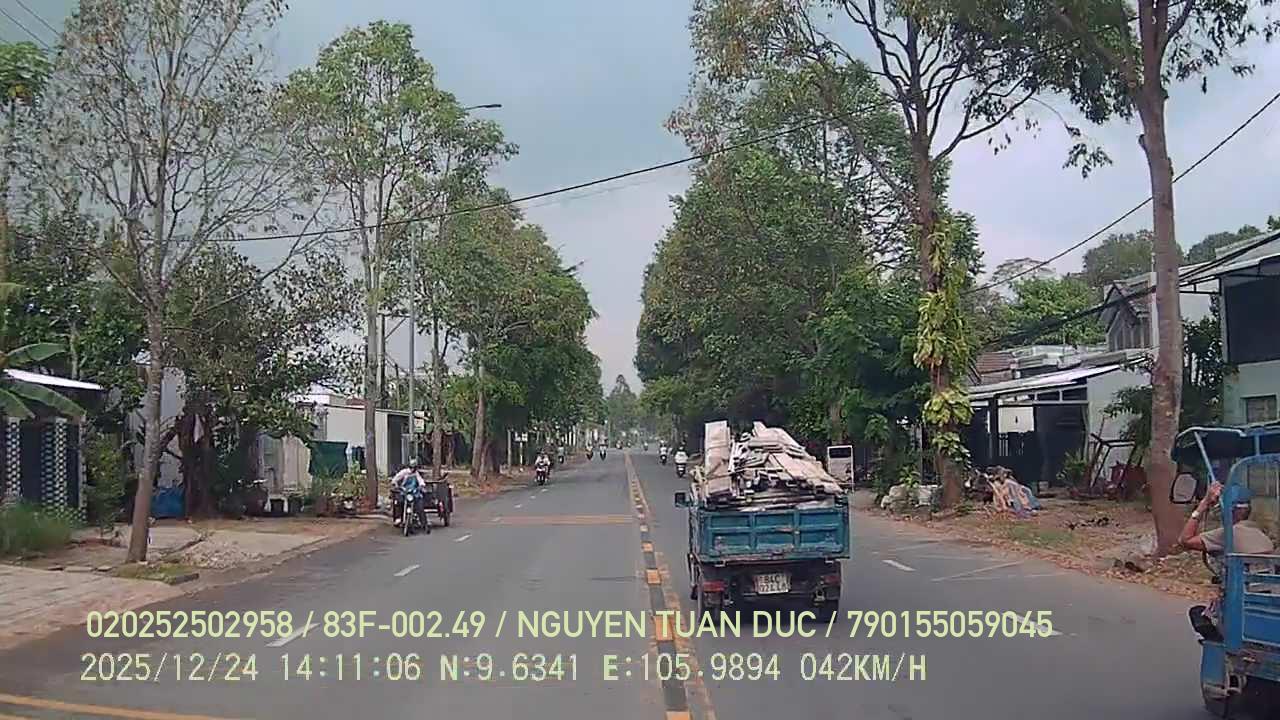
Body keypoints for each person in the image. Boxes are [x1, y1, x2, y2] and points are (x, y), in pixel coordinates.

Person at [1181, 481, 1275, 640]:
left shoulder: (1228, 534)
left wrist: (1203, 505)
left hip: (1239, 609)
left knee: (1197, 613)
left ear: (1228, 510)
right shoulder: (1262, 535)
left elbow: (1185, 540)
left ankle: (1220, 644)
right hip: (1267, 605)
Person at [391, 458, 426, 527]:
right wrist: (395, 484)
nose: (412, 469)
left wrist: (422, 485)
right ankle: (398, 518)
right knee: (399, 502)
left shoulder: (416, 474)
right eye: (411, 467)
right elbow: (395, 479)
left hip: (413, 492)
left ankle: (421, 521)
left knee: (419, 504)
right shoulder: (404, 472)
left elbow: (420, 481)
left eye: (414, 468)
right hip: (404, 491)